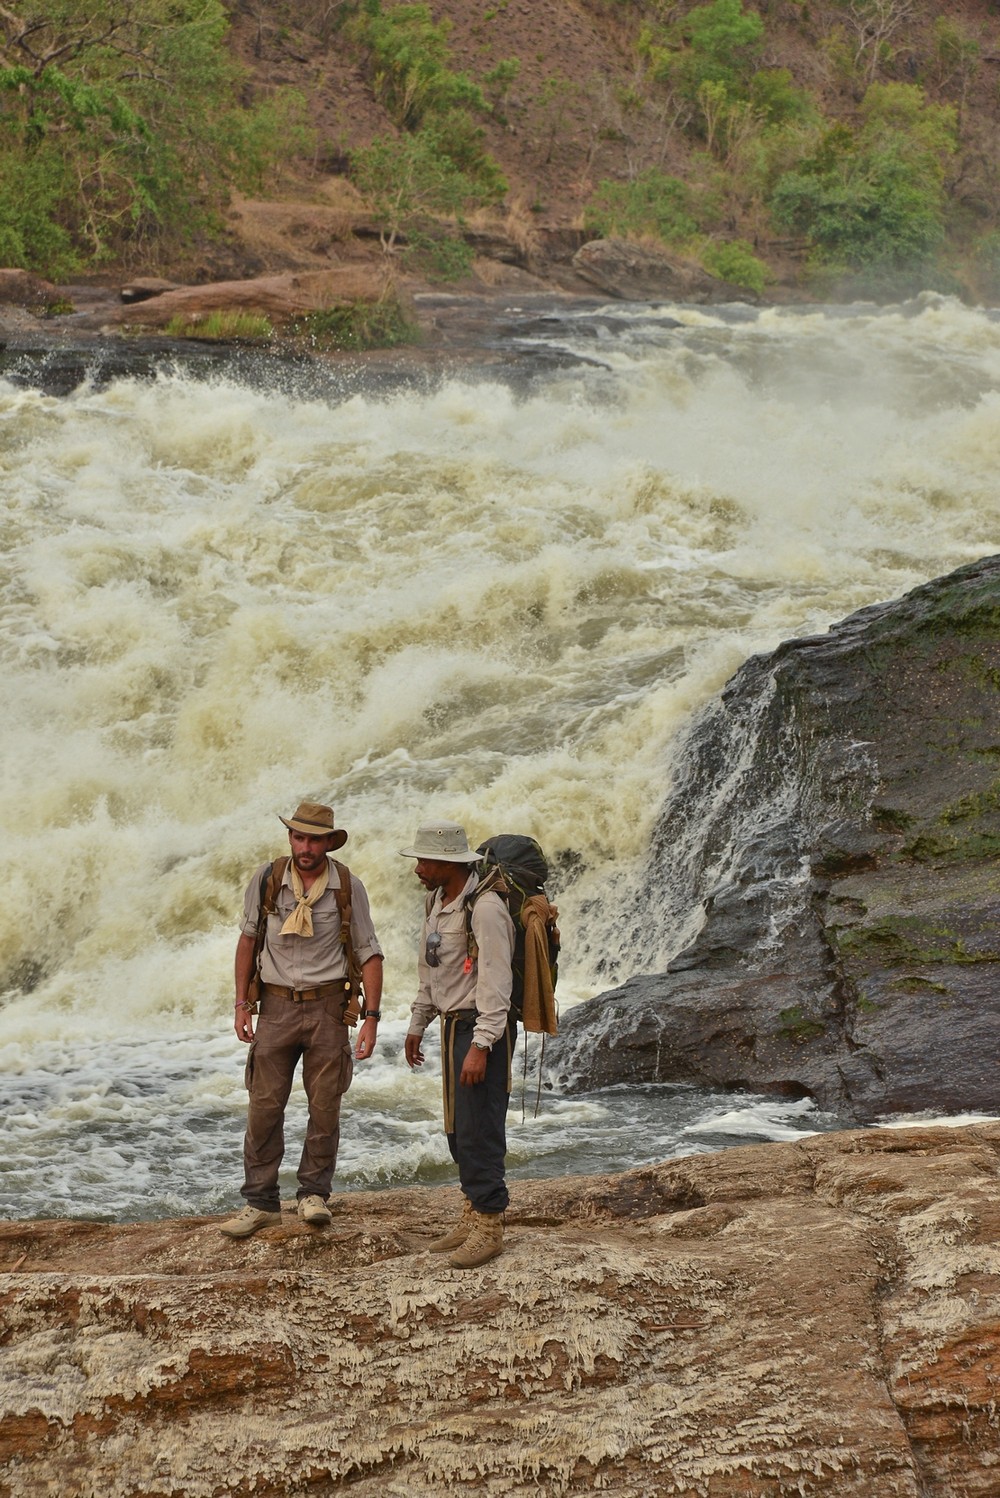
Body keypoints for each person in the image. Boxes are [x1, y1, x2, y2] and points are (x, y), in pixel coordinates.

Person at [220, 801, 384, 1239]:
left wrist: (370, 1018)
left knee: (325, 1106)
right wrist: (241, 1005)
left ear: (329, 842)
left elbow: (370, 952)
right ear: (290, 838)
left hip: (330, 1008)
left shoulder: (347, 885)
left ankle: (313, 1195)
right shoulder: (267, 879)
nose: (305, 846)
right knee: (263, 1106)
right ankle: (260, 1202)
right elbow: (247, 939)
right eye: (298, 836)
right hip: (274, 1006)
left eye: (314, 839)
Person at [401, 819, 516, 1269]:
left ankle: (489, 1226)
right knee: (457, 1129)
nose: (418, 870)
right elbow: (431, 971)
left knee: (480, 1128)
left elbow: (496, 981)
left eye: (424, 861)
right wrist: (418, 1023)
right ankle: (473, 1212)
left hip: (479, 1029)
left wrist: (482, 1044)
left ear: (447, 863)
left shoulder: (484, 909)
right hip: (453, 1027)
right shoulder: (437, 901)